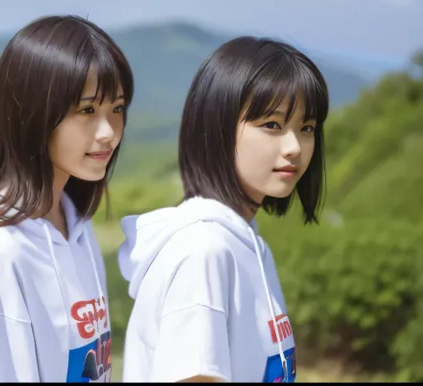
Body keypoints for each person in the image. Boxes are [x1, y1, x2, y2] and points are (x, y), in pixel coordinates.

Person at [0, 14, 134, 382]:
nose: (108, 133)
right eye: (86, 110)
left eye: (116, 109)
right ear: (33, 115)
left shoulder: (76, 228)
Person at [117, 36, 328, 382]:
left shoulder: (246, 243)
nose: (294, 147)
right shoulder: (203, 254)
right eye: (272, 125)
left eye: (306, 128)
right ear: (217, 127)